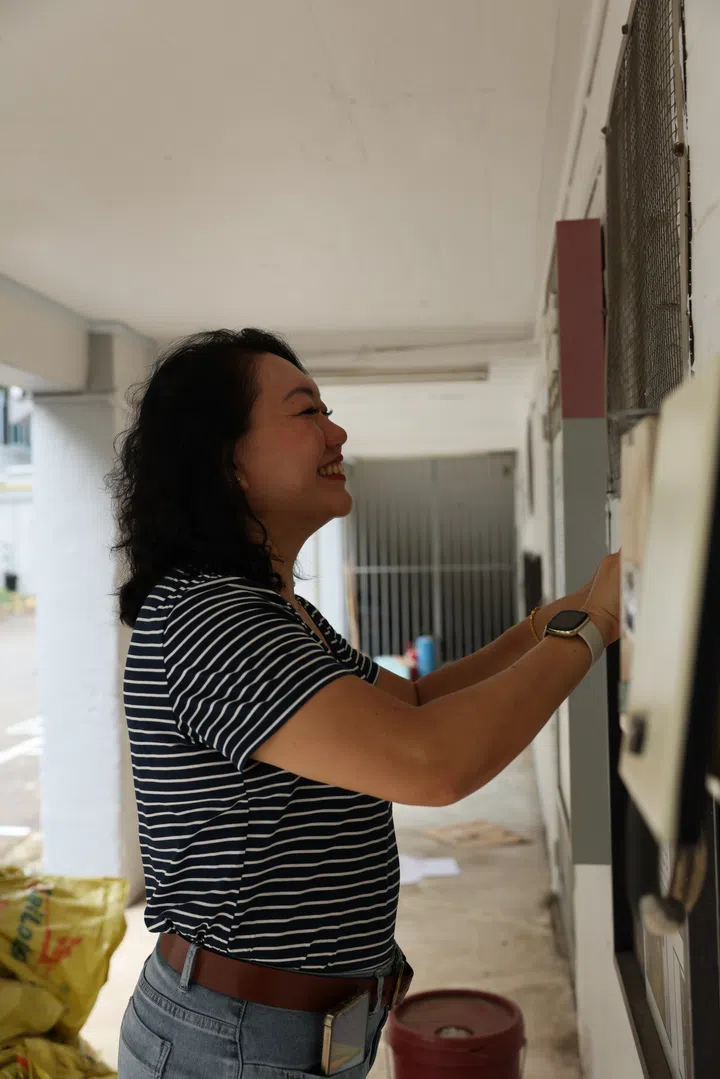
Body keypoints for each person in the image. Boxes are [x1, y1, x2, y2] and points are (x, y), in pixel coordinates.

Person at [110, 328, 619, 1079]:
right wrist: (598, 626)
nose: (337, 430)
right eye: (306, 410)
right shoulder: (210, 617)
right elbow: (431, 763)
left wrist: (562, 615)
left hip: (288, 1031)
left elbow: (413, 701)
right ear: (227, 460)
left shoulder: (278, 611)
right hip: (235, 1042)